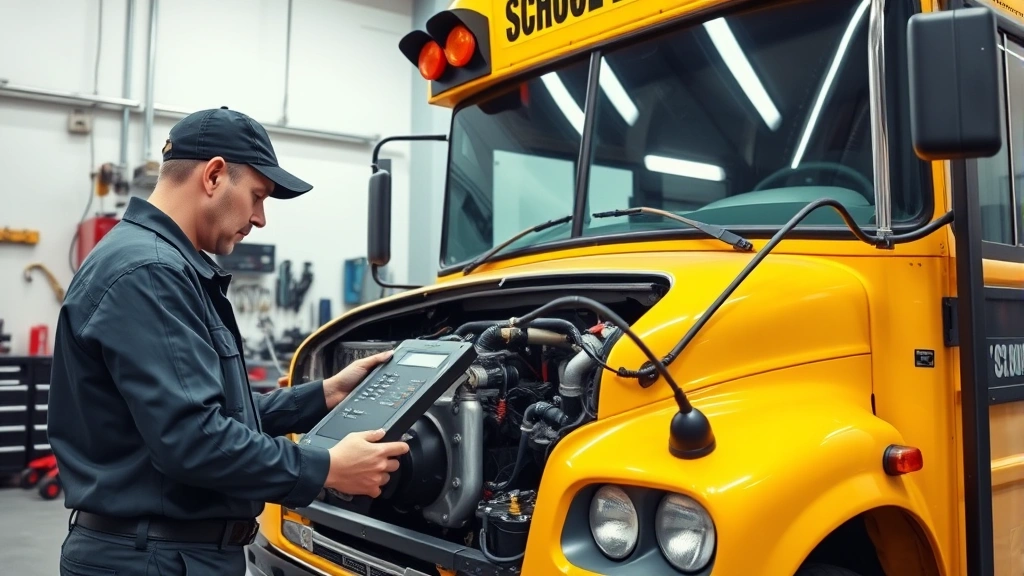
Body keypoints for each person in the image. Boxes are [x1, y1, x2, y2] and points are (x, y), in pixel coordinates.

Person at [47, 106, 409, 575]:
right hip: (157, 559)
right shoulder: (151, 271)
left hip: (160, 553)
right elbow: (192, 439)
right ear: (215, 175)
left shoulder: (157, 263)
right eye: (258, 196)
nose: (260, 218)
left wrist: (323, 395)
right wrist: (325, 468)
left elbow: (204, 416)